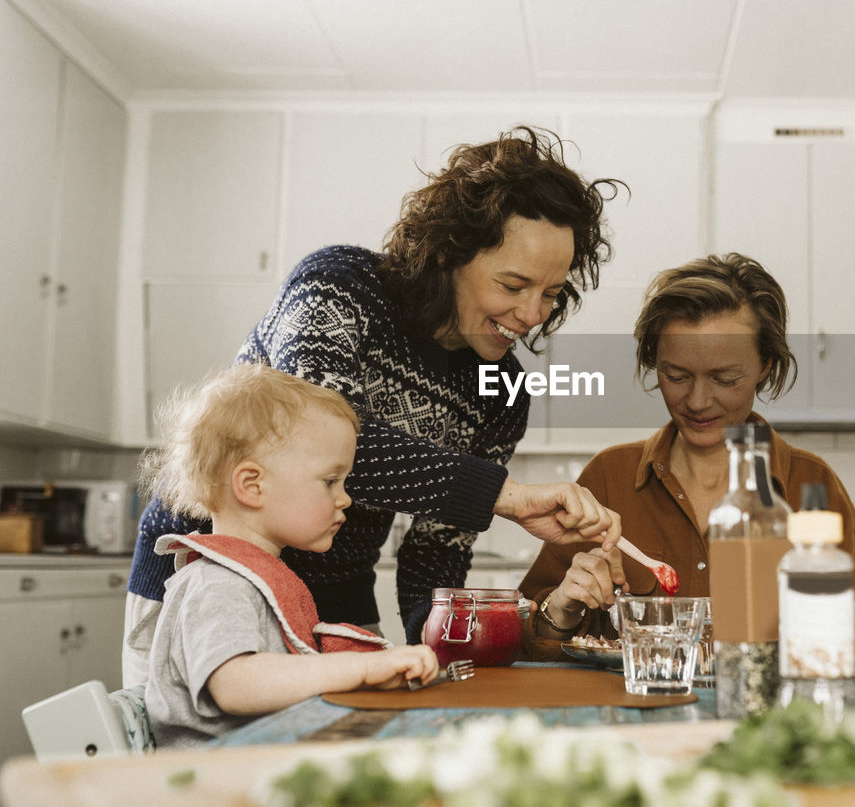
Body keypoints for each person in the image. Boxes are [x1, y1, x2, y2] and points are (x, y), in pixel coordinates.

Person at [125, 126, 625, 685]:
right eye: (513, 285)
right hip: (211, 571)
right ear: (450, 254)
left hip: (337, 589)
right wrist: (506, 496)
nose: (532, 314)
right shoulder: (339, 289)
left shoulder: (500, 391)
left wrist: (438, 649)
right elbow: (313, 451)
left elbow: (435, 554)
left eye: (552, 292)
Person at [519, 253, 855, 662]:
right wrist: (562, 609)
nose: (697, 401)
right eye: (676, 376)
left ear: (765, 364)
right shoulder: (608, 478)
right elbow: (531, 643)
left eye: (724, 379)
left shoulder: (813, 486)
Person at [141, 364, 439, 748]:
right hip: (216, 779)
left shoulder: (256, 575)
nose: (345, 497)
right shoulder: (216, 584)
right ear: (252, 485)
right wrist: (359, 668)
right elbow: (236, 685)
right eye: (330, 481)